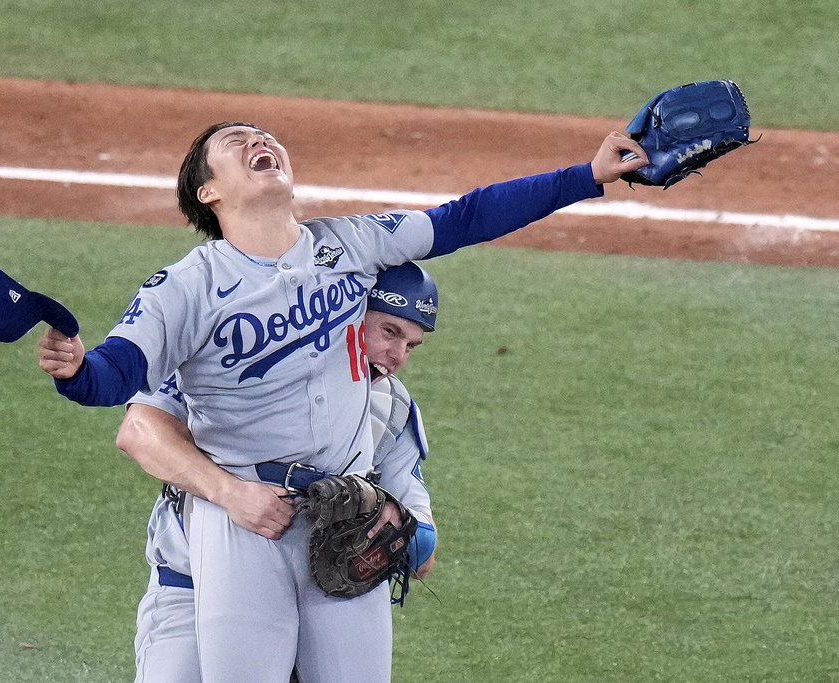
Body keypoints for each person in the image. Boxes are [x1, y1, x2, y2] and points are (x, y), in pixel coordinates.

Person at [37, 121, 648, 682]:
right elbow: (114, 379)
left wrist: (587, 176)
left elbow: (465, 218)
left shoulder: (351, 244)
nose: (258, 139)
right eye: (235, 141)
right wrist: (76, 370)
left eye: (263, 133)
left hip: (345, 514)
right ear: (207, 193)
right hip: (246, 520)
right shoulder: (186, 288)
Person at [124, 262, 440, 683]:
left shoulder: (392, 409)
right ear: (346, 312)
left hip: (320, 599)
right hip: (190, 587)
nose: (397, 356)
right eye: (389, 332)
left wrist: (391, 524)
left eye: (411, 345)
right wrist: (230, 493)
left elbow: (424, 556)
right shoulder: (245, 362)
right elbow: (139, 433)